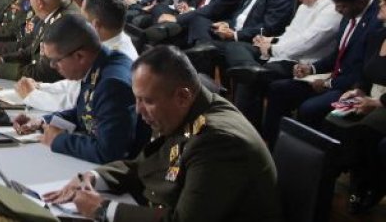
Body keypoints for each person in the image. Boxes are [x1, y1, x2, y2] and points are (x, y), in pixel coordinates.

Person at [42, 46, 281, 222]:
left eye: (147, 101)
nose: (138, 110)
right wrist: (92, 177)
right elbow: (146, 164)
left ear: (183, 96)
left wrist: (103, 209)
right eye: (137, 99)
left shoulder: (217, 140)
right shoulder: (188, 108)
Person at [262, 0, 381, 144]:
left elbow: (363, 70)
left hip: (353, 87)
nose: (338, 11)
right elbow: (338, 53)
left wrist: (328, 84)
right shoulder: (350, 13)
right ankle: (273, 147)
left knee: (309, 109)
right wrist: (312, 69)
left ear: (361, 2)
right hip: (331, 78)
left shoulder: (375, 23)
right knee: (278, 89)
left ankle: (313, 161)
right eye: (336, 6)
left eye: (342, 7)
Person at [9, 13, 137, 164]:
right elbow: (85, 112)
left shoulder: (113, 83)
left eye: (56, 60)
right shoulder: (97, 64)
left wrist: (59, 140)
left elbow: (109, 152)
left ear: (80, 56)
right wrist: (42, 120)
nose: (52, 66)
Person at [225, 0, 342, 130]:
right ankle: (249, 68)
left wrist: (273, 49)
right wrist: (271, 42)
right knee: (237, 48)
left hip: (300, 63)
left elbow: (306, 42)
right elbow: (291, 35)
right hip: (281, 53)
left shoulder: (333, 10)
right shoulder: (306, 5)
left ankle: (243, 130)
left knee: (249, 78)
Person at [18, 0, 139, 113]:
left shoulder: (117, 58)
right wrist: (41, 87)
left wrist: (33, 96)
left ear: (94, 25)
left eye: (83, 17)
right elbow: (75, 85)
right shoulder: (111, 43)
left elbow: (75, 102)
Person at [327, 0, 386, 214]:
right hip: (371, 96)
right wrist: (358, 91)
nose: (380, 5)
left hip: (384, 102)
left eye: (385, 3)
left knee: (365, 129)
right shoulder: (377, 35)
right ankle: (329, 176)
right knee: (333, 118)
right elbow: (365, 72)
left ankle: (367, 187)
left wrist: (376, 102)